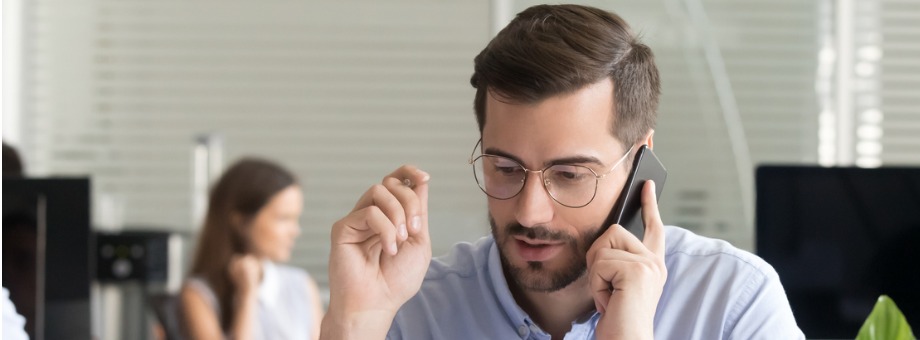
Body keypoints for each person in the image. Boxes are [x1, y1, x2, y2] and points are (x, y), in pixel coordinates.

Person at [320, 4, 803, 339]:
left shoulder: (731, 300)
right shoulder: (415, 309)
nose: (530, 211)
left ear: (640, 159)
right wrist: (355, 322)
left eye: (571, 174)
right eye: (505, 167)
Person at [181, 157, 323, 340]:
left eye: (296, 219)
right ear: (241, 222)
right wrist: (247, 295)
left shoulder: (301, 285)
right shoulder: (198, 294)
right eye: (283, 219)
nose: (295, 231)